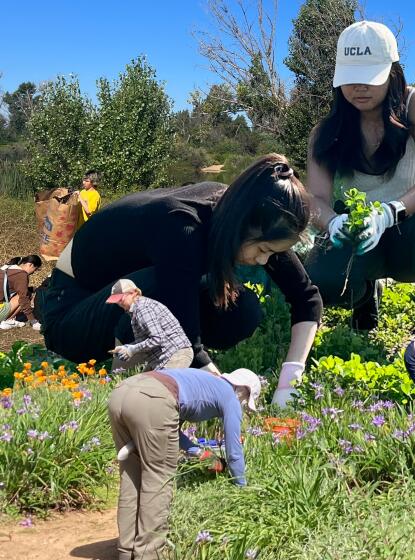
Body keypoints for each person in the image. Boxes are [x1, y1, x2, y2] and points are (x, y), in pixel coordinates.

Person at [40, 154, 322, 408]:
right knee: (153, 292)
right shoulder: (182, 227)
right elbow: (186, 334)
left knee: (242, 309)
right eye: (261, 250)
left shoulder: (251, 216)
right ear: (241, 224)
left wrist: (290, 378)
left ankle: (159, 366)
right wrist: (221, 392)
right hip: (70, 315)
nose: (264, 260)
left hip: (127, 297)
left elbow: (306, 298)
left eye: (271, 253)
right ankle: (125, 388)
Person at [304, 21, 415, 335]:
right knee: (323, 279)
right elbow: (315, 199)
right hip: (358, 234)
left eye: (369, 78)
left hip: (411, 228)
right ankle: (364, 297)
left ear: (392, 72)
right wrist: (335, 222)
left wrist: (388, 213)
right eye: (351, 79)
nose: (359, 88)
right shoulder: (326, 131)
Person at [108, 367, 260, 560]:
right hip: (153, 398)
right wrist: (241, 486)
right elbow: (234, 452)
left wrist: (199, 453)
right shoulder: (230, 396)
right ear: (243, 390)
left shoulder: (203, 381)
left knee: (131, 476)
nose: (243, 404)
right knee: (157, 480)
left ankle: (126, 551)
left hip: (122, 392)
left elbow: (169, 428)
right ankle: (147, 554)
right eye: (246, 401)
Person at [105, 279, 194, 370]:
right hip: (162, 359)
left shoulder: (143, 309)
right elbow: (147, 339)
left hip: (175, 355)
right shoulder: (136, 309)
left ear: (133, 293)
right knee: (141, 382)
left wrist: (132, 350)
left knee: (157, 384)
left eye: (121, 299)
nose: (119, 304)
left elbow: (157, 338)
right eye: (116, 301)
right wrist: (127, 347)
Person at [0, 255, 42, 331]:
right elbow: (23, 298)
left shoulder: (7, 268)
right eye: (35, 269)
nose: (33, 272)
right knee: (27, 294)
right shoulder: (21, 274)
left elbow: (8, 287)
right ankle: (7, 320)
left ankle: (7, 320)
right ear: (30, 265)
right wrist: (33, 321)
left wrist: (33, 288)